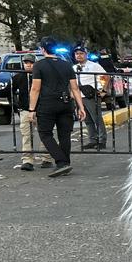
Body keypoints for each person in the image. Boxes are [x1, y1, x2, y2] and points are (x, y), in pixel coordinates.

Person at [28, 38, 85, 178]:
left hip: (47, 104)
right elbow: (75, 88)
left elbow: (35, 89)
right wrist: (81, 107)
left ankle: (61, 162)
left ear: (43, 49)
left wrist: (31, 109)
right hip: (65, 103)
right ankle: (65, 163)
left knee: (45, 134)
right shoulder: (66, 65)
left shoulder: (39, 65)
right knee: (64, 135)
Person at [9, 55, 54, 171]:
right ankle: (27, 160)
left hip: (42, 110)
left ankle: (46, 158)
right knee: (26, 135)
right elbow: (9, 90)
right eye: (26, 63)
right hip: (25, 110)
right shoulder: (19, 76)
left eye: (31, 63)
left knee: (45, 134)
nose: (28, 65)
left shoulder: (43, 76)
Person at [73, 48, 108, 148]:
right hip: (80, 96)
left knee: (96, 118)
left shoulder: (94, 66)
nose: (79, 55)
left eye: (81, 53)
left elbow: (105, 76)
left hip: (91, 96)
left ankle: (102, 140)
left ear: (86, 54)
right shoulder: (74, 67)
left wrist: (103, 90)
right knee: (87, 120)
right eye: (77, 54)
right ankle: (92, 140)